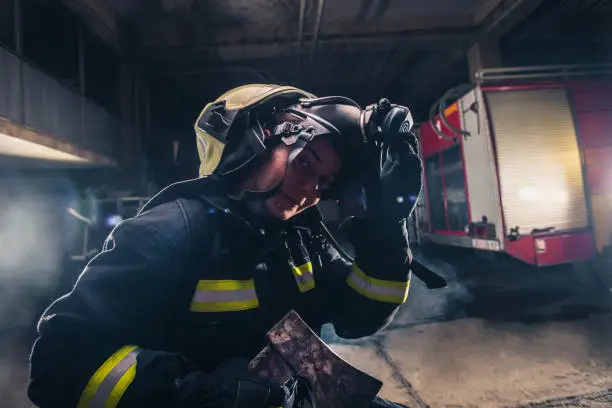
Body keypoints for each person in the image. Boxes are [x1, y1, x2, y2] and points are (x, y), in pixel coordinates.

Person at [28, 85, 423, 408]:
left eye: (324, 184)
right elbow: (60, 365)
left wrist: (386, 225)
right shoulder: (169, 232)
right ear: (254, 145)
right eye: (305, 164)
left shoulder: (300, 239)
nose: (309, 192)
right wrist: (199, 395)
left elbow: (361, 316)